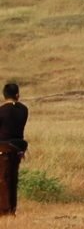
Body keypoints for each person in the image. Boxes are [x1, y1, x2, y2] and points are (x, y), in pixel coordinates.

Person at [0, 84, 28, 216]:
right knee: (13, 179)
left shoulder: (2, 111)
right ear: (17, 95)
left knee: (3, 179)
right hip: (18, 149)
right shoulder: (24, 109)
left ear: (3, 95)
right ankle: (12, 208)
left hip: (3, 148)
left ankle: (4, 211)